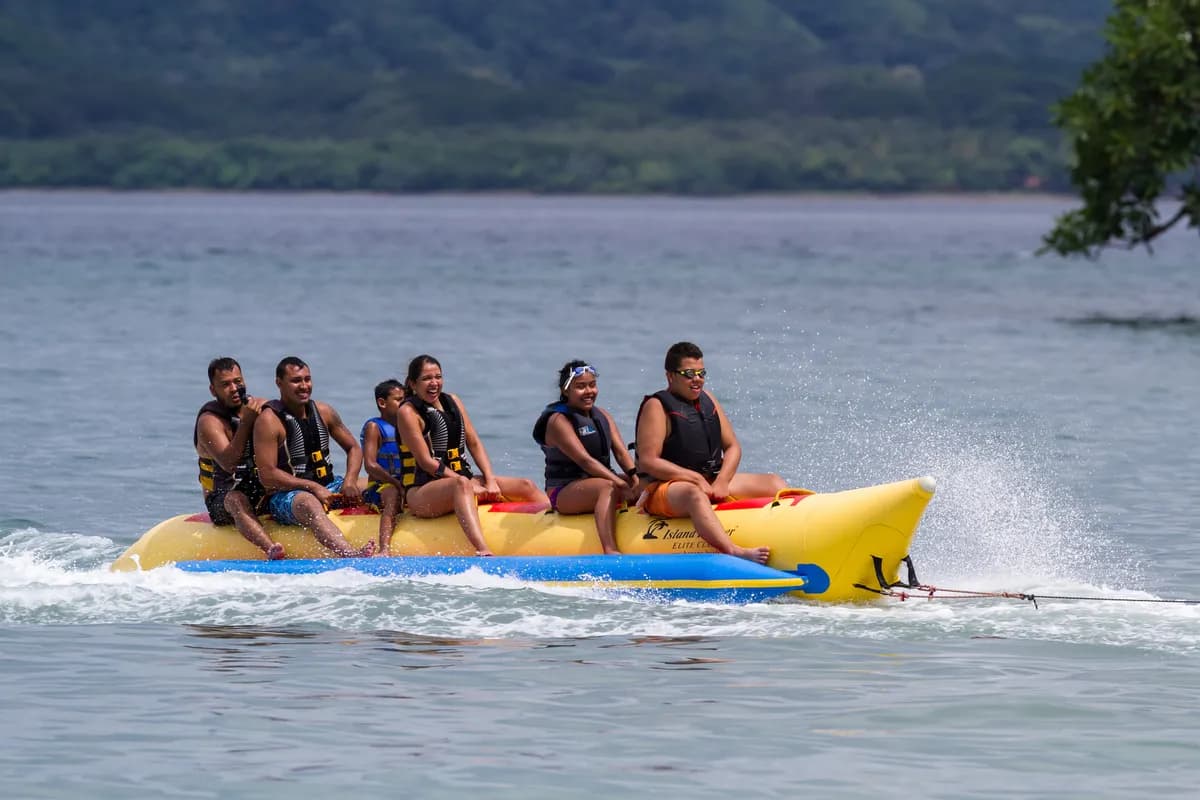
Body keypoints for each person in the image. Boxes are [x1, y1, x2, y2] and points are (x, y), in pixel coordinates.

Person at [634, 341, 785, 564]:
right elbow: (649, 461)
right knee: (693, 494)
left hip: (710, 481)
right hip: (664, 489)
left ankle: (792, 531)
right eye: (689, 374)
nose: (697, 379)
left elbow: (733, 446)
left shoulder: (708, 400)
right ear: (670, 376)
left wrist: (722, 480)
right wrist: (694, 479)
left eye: (701, 373)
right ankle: (733, 551)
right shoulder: (657, 407)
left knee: (774, 483)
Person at [396, 354, 549, 556]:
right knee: (461, 485)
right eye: (427, 379)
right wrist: (468, 484)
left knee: (526, 485)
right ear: (413, 384)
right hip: (422, 492)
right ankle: (482, 549)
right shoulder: (408, 412)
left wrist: (489, 480)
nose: (434, 383)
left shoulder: (453, 401)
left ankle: (553, 528)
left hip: (462, 481)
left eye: (438, 377)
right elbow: (425, 462)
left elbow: (474, 442)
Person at [253, 356, 375, 557]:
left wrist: (350, 479)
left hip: (329, 486)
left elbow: (353, 447)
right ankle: (349, 554)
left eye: (307, 379)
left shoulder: (324, 411)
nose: (304, 386)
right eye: (296, 381)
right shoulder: (268, 421)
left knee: (375, 484)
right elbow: (267, 474)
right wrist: (313, 487)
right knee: (309, 502)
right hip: (287, 496)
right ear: (279, 383)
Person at [532, 360, 638, 554]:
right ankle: (610, 549)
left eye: (592, 385)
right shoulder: (558, 421)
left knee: (644, 484)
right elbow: (584, 461)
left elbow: (622, 453)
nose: (589, 391)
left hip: (598, 481)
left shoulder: (602, 415)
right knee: (608, 486)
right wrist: (621, 484)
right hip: (564, 491)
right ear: (565, 391)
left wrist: (635, 478)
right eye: (580, 387)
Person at [194, 357, 283, 560]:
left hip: (260, 490)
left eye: (238, 381)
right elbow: (229, 464)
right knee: (237, 500)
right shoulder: (209, 422)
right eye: (225, 385)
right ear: (213, 390)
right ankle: (272, 550)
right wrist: (246, 423)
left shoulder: (256, 407)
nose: (234, 388)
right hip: (222, 499)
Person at [361, 378, 410, 555]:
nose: (403, 404)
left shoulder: (409, 425)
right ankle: (384, 549)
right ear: (382, 403)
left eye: (405, 399)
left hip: (407, 482)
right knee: (393, 495)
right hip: (381, 487)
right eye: (398, 400)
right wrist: (395, 483)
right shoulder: (375, 427)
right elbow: (370, 465)